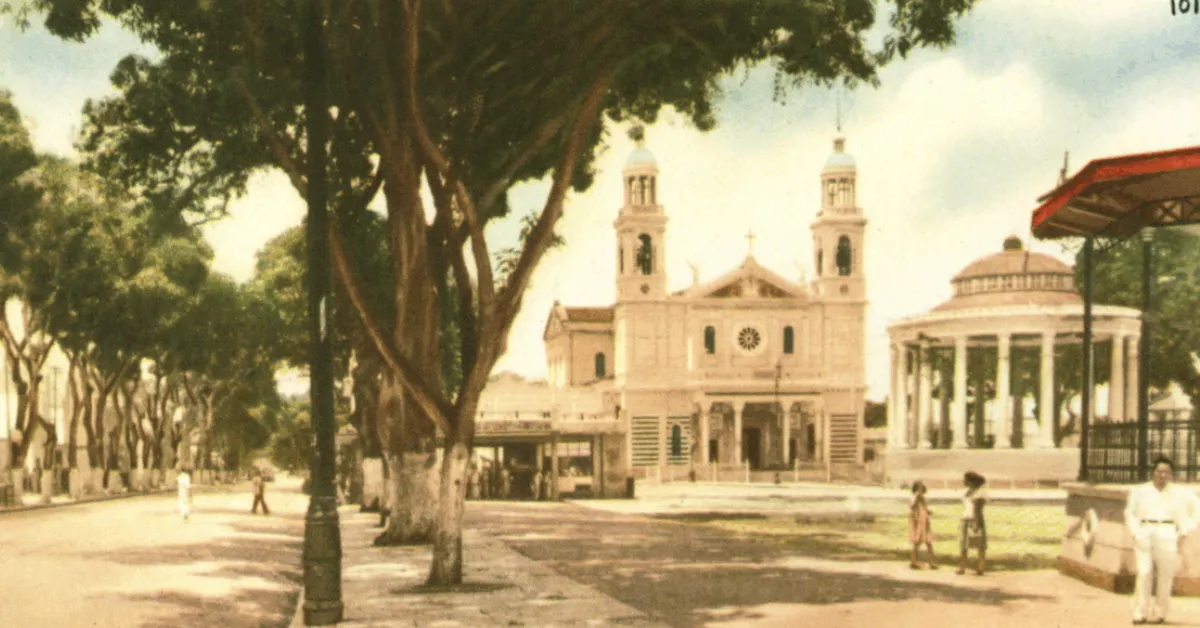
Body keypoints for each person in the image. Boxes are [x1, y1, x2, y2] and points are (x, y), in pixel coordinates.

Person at [1124, 456, 1200, 625]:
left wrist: (1185, 529)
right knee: (1144, 572)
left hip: (1167, 532)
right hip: (1145, 531)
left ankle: (1160, 612)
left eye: (1166, 472)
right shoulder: (1139, 491)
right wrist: (1136, 532)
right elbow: (1130, 513)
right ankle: (1140, 612)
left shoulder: (1179, 492)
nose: (1162, 475)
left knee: (1165, 575)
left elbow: (1197, 508)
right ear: (1153, 472)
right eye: (1159, 471)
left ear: (1171, 474)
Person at [957, 471, 987, 576]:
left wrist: (975, 522)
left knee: (980, 545)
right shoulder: (967, 492)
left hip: (974, 519)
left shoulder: (979, 493)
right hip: (965, 518)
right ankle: (962, 567)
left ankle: (980, 567)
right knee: (963, 544)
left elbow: (977, 509)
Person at [908, 481, 936, 569]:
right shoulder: (913, 498)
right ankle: (913, 562)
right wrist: (916, 499)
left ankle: (932, 563)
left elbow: (925, 508)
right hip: (918, 523)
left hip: (925, 522)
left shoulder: (923, 499)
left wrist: (928, 511)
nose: (920, 492)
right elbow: (912, 508)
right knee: (917, 542)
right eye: (919, 490)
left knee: (929, 542)